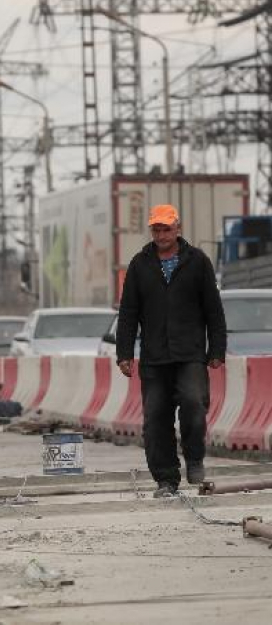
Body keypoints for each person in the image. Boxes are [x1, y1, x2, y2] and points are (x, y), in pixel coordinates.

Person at [116, 204, 226, 498]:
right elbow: (128, 312)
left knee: (193, 404)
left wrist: (217, 349)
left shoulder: (198, 262)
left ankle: (194, 459)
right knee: (156, 419)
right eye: (156, 229)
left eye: (166, 229)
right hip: (154, 357)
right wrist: (124, 353)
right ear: (152, 231)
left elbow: (213, 310)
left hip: (190, 354)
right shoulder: (139, 265)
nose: (161, 234)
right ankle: (166, 479)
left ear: (178, 229)